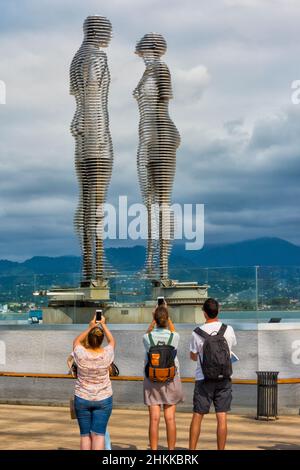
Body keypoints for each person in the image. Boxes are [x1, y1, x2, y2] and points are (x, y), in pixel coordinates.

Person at [189, 298, 237, 450]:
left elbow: (193, 356)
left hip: (203, 378)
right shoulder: (228, 329)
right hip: (224, 378)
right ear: (218, 310)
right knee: (221, 417)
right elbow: (230, 348)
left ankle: (191, 452)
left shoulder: (197, 332)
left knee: (198, 415)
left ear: (204, 313)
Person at [143, 303, 184, 450]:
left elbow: (147, 332)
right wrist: (167, 315)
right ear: (167, 320)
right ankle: (171, 452)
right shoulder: (174, 337)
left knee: (154, 419)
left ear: (154, 319)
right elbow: (173, 330)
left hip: (152, 379)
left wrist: (154, 318)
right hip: (171, 379)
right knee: (170, 418)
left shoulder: (147, 338)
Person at [72, 313, 115, 450]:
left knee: (85, 435)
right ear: (101, 340)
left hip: (82, 397)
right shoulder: (107, 353)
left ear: (89, 339)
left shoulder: (81, 353)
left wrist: (89, 327)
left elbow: (76, 342)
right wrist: (103, 324)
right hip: (103, 398)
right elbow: (112, 341)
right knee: (99, 435)